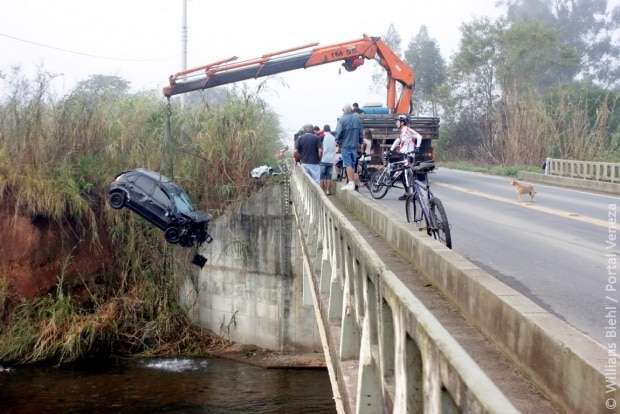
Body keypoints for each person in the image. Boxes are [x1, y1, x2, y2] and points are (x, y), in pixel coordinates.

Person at [391, 114, 423, 200]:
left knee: (406, 174)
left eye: (397, 121)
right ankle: (407, 193)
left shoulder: (408, 130)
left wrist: (417, 148)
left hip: (408, 156)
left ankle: (412, 194)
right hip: (403, 155)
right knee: (402, 175)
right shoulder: (402, 131)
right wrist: (391, 149)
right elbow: (398, 140)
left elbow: (419, 136)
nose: (396, 123)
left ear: (402, 122)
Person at [335, 104, 363, 191]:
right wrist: (360, 142)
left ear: (344, 111)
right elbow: (361, 133)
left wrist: (338, 142)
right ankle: (353, 183)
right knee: (353, 163)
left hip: (345, 145)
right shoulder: (357, 119)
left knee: (348, 164)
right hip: (354, 145)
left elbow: (338, 133)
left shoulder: (342, 120)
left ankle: (351, 183)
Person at [319, 125, 337, 195]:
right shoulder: (333, 138)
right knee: (329, 177)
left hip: (323, 159)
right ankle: (328, 191)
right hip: (331, 160)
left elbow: (322, 150)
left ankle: (321, 192)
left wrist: (320, 158)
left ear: (324, 130)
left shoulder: (323, 137)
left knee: (322, 176)